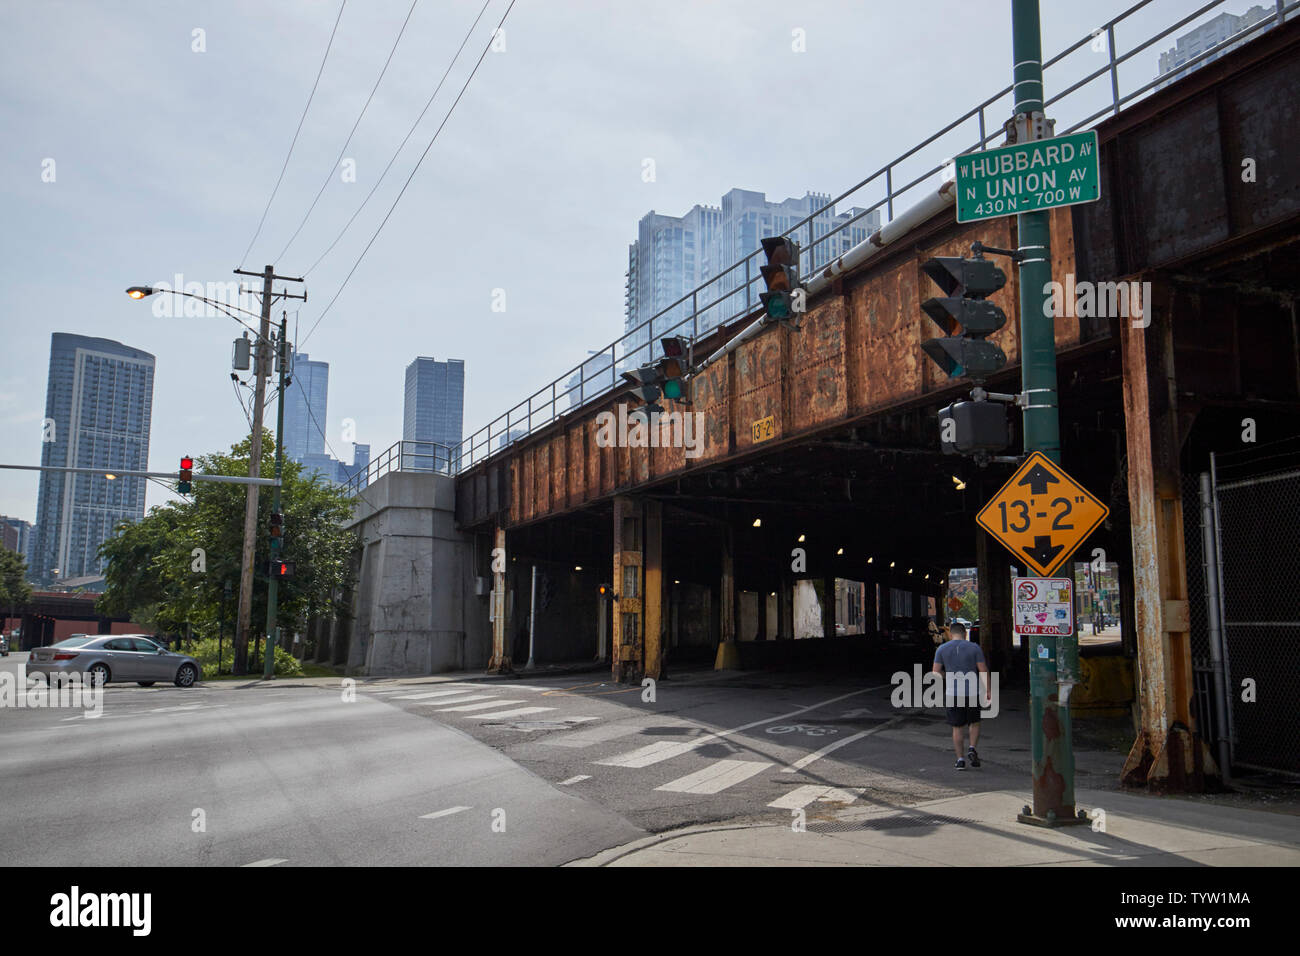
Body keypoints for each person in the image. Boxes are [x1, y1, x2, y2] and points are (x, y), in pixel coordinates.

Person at [932, 621, 988, 770]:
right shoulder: (974, 648)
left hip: (953, 693)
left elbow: (935, 672)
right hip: (972, 692)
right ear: (965, 633)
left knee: (957, 727)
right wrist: (988, 690)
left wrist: (948, 675)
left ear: (950, 633)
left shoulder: (942, 649)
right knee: (974, 722)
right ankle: (971, 748)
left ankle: (960, 760)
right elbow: (983, 670)